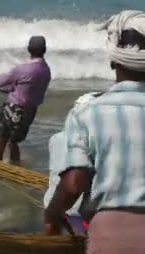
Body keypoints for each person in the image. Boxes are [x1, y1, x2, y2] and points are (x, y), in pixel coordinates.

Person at [44, 10, 145, 254]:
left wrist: (53, 212)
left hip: (112, 236)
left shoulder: (87, 114)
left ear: (112, 61)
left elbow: (73, 184)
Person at [43, 92, 102, 234]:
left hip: (55, 205)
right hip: (82, 212)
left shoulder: (56, 139)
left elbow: (56, 175)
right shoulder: (99, 142)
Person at [0, 36, 51, 164]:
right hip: (31, 111)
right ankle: (15, 165)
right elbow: (23, 87)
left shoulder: (23, 69)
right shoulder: (46, 70)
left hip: (14, 109)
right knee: (13, 140)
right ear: (45, 50)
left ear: (28, 49)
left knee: (1, 138)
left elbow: (4, 80)